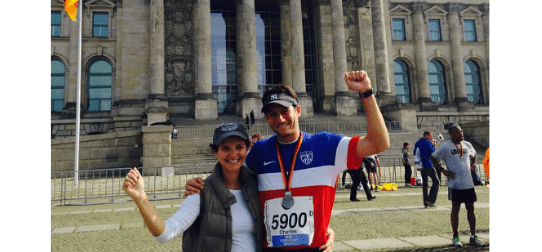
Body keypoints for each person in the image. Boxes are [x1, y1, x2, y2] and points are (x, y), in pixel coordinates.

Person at [187, 70, 390, 251]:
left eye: (285, 111)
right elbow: (231, 181)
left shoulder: (327, 145)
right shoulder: (258, 152)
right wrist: (200, 187)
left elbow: (378, 144)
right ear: (267, 119)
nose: (280, 119)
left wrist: (367, 93)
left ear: (298, 110)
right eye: (272, 114)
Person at [123, 121, 265, 251]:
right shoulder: (200, 192)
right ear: (216, 152)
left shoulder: (258, 186)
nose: (233, 154)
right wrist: (141, 199)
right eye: (225, 148)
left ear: (247, 149)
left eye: (239, 147)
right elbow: (165, 233)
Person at [430, 124, 486, 247]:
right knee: (455, 209)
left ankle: (473, 236)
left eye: (461, 131)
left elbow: (474, 154)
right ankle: (455, 237)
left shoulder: (467, 144)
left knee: (471, 209)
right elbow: (433, 157)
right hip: (455, 184)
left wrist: (473, 164)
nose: (461, 133)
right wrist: (442, 170)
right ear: (451, 134)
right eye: (458, 132)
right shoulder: (446, 147)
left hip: (468, 183)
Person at [414, 131, 439, 208]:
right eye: (430, 136)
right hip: (428, 164)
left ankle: (425, 202)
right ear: (426, 136)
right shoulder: (427, 142)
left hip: (421, 166)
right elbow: (433, 152)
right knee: (436, 181)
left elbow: (414, 152)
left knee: (425, 184)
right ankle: (430, 200)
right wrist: (433, 145)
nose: (431, 137)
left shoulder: (417, 142)